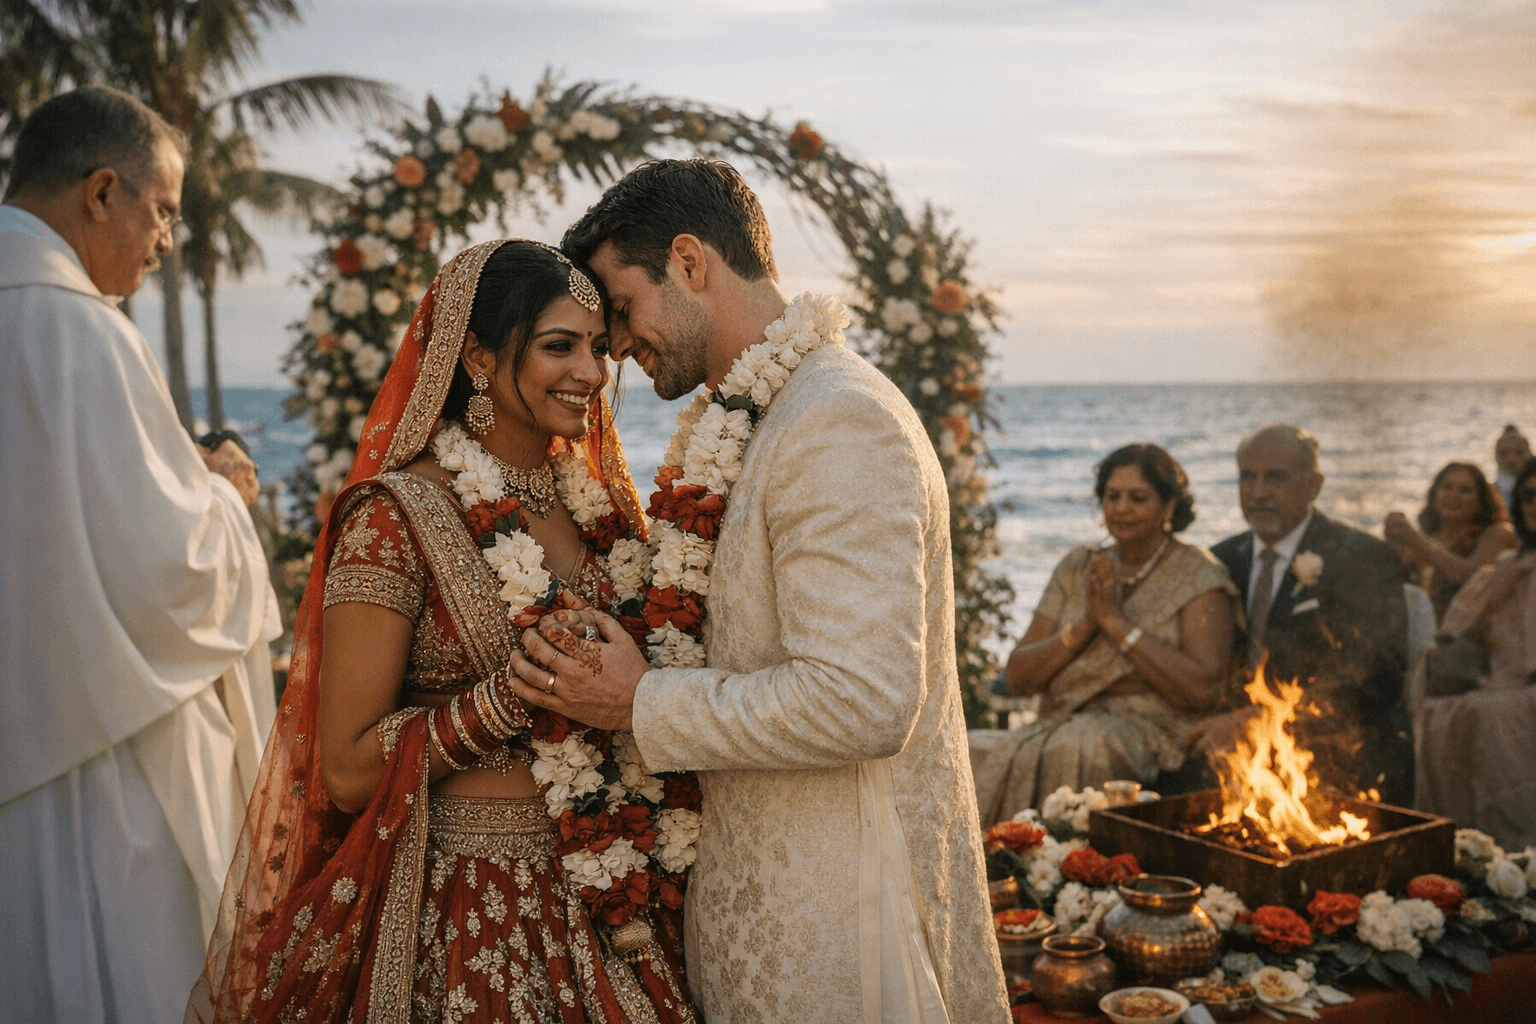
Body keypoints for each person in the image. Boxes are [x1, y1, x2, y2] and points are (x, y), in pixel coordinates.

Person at [507, 159, 1008, 1022]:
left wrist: (641, 702)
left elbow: (865, 700)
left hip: (846, 932)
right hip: (763, 918)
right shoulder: (764, 418)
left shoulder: (838, 420)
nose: (616, 346)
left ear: (691, 263)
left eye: (622, 308)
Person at [189, 240, 699, 1022]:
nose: (592, 374)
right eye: (559, 346)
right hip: (466, 909)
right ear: (478, 358)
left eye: (599, 348)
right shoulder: (394, 516)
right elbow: (348, 767)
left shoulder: (602, 515)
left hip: (616, 901)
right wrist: (496, 705)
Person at [0, 87, 279, 1022]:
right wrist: (229, 498)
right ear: (102, 191)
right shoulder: (76, 329)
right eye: (162, 210)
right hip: (102, 768)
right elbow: (175, 574)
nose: (166, 241)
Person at [969, 444, 1238, 824]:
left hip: (1154, 729)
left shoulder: (1198, 575)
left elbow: (1203, 688)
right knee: (975, 748)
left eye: (1138, 497)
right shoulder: (1078, 567)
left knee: (1082, 744)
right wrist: (1084, 629)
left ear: (1170, 507)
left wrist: (1117, 625)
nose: (1121, 508)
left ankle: (1068, 869)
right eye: (1112, 496)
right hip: (1063, 718)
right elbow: (1018, 676)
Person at [1197, 424, 1412, 804]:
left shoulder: (1364, 559)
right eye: (1247, 477)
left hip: (1338, 751)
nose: (1258, 491)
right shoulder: (1219, 561)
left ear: (1314, 486)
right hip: (1233, 757)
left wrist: (1256, 719)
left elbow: (1374, 677)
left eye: (1275, 477)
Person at [1416, 457, 1536, 849]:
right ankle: (1461, 846)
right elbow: (1462, 626)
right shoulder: (1509, 566)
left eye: (1464, 489)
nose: (1535, 504)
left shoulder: (1497, 544)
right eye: (1529, 496)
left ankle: (1510, 848)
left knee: (1490, 714)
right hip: (1495, 673)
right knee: (1438, 713)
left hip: (1520, 681)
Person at [1384, 462, 1516, 622]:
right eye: (1447, 488)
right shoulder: (1425, 537)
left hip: (1467, 636)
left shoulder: (1497, 534)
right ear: (1435, 494)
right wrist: (1393, 545)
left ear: (1482, 500)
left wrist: (1418, 542)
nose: (1453, 496)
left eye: (1465, 490)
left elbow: (1471, 577)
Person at [1494, 425, 1530, 510]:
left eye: (1519, 452)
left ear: (1529, 453)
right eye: (1504, 453)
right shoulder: (1486, 495)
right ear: (1495, 456)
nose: (1511, 459)